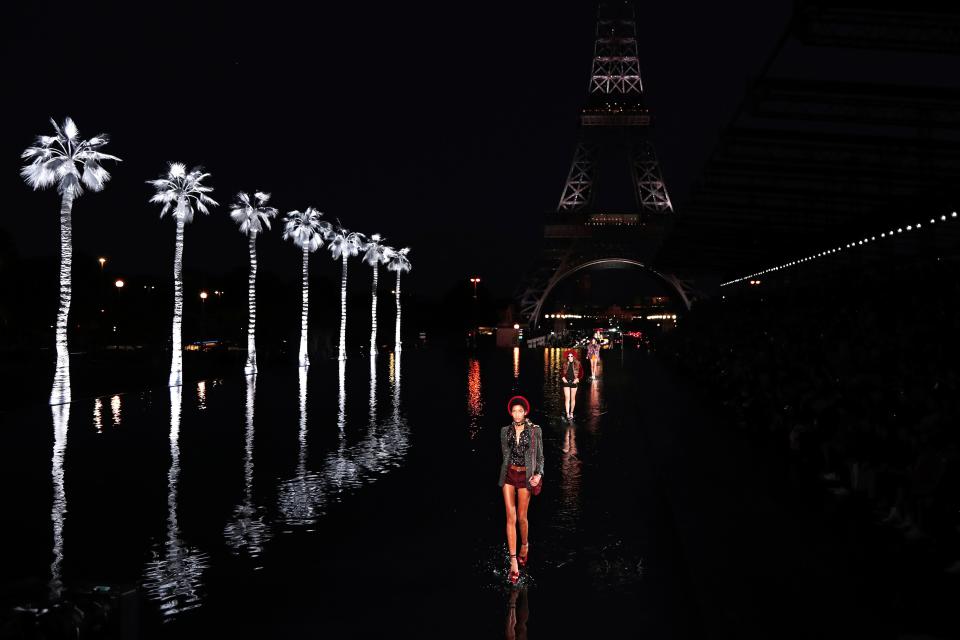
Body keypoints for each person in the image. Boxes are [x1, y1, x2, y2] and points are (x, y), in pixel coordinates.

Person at [498, 396, 544, 584]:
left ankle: (525, 544)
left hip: (526, 477)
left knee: (522, 517)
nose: (517, 414)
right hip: (509, 475)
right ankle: (513, 560)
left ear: (525, 412)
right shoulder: (504, 431)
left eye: (520, 411)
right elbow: (505, 455)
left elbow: (540, 457)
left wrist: (539, 474)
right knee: (511, 517)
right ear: (511, 412)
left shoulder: (534, 431)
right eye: (514, 411)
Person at [561, 349, 583, 418]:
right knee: (567, 398)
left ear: (574, 357)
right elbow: (561, 372)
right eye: (569, 356)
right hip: (566, 382)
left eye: (571, 356)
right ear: (567, 357)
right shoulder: (564, 364)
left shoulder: (578, 363)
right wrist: (563, 377)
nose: (570, 357)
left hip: (574, 382)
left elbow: (581, 373)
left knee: (573, 398)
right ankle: (567, 414)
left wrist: (578, 379)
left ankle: (571, 413)